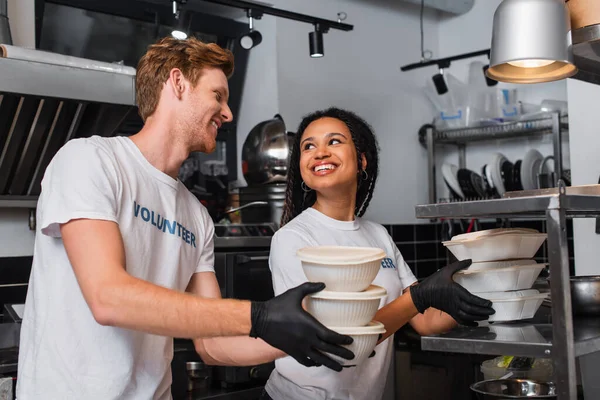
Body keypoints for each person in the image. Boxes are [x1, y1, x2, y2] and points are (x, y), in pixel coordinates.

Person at [16, 38, 355, 400]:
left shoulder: (195, 215)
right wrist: (260, 316)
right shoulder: (91, 160)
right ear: (178, 83)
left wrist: (298, 336)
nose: (228, 114)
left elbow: (212, 345)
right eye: (218, 96)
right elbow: (108, 297)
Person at [261, 107, 495, 400]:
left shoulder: (378, 235)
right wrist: (418, 297)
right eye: (309, 146)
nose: (319, 152)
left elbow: (425, 321)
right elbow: (330, 341)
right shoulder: (293, 238)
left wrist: (490, 286)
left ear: (361, 160)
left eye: (334, 141)